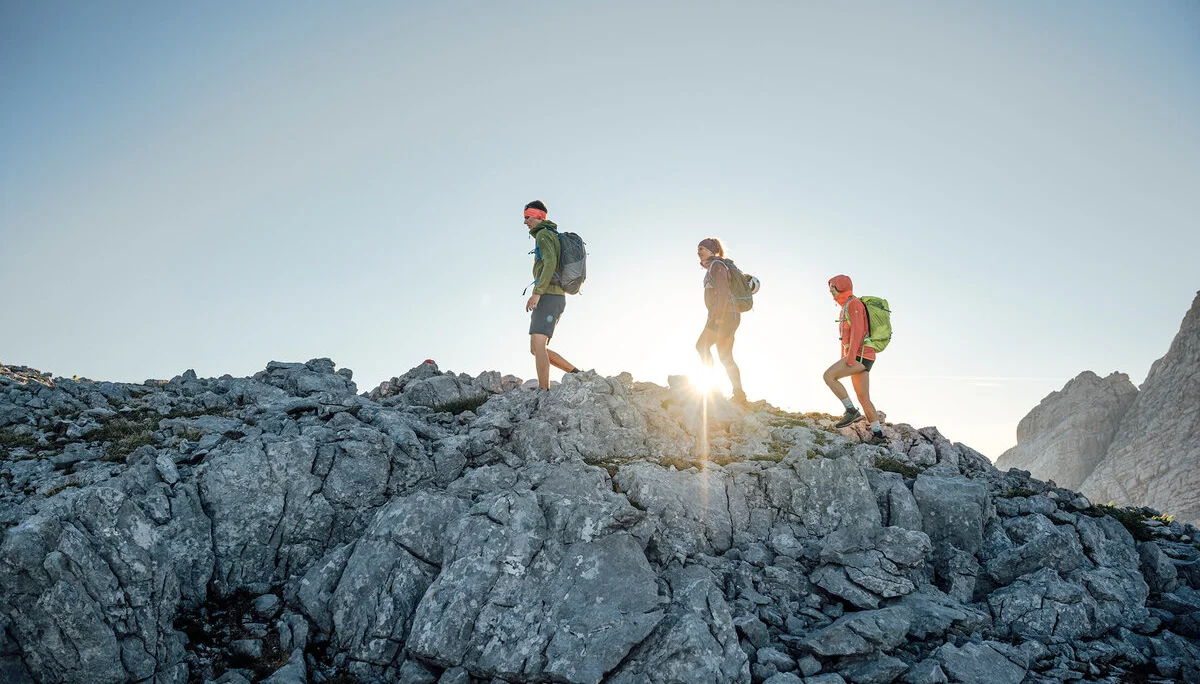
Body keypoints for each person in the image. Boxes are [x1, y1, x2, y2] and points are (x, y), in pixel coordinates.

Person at [523, 200, 581, 389]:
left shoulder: (543, 235)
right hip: (555, 296)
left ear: (538, 216)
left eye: (527, 217)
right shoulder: (549, 234)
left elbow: (549, 263)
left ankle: (544, 391)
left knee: (538, 344)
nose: (525, 222)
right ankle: (577, 374)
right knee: (536, 347)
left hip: (548, 295)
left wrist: (537, 293)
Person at [823, 274, 885, 443]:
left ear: (842, 287)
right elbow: (846, 339)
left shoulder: (854, 304)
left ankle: (851, 411)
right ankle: (879, 435)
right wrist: (844, 357)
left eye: (833, 288)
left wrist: (849, 359)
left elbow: (858, 331)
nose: (830, 292)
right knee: (863, 397)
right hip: (862, 356)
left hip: (860, 355)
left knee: (828, 376)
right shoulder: (845, 307)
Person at [695, 238, 747, 405]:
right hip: (728, 316)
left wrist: (717, 317)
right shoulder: (717, 265)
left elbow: (723, 291)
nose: (699, 252)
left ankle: (712, 389)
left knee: (702, 346)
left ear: (711, 250)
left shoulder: (717, 266)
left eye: (702, 248)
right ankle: (739, 394)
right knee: (725, 356)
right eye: (698, 249)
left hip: (723, 316)